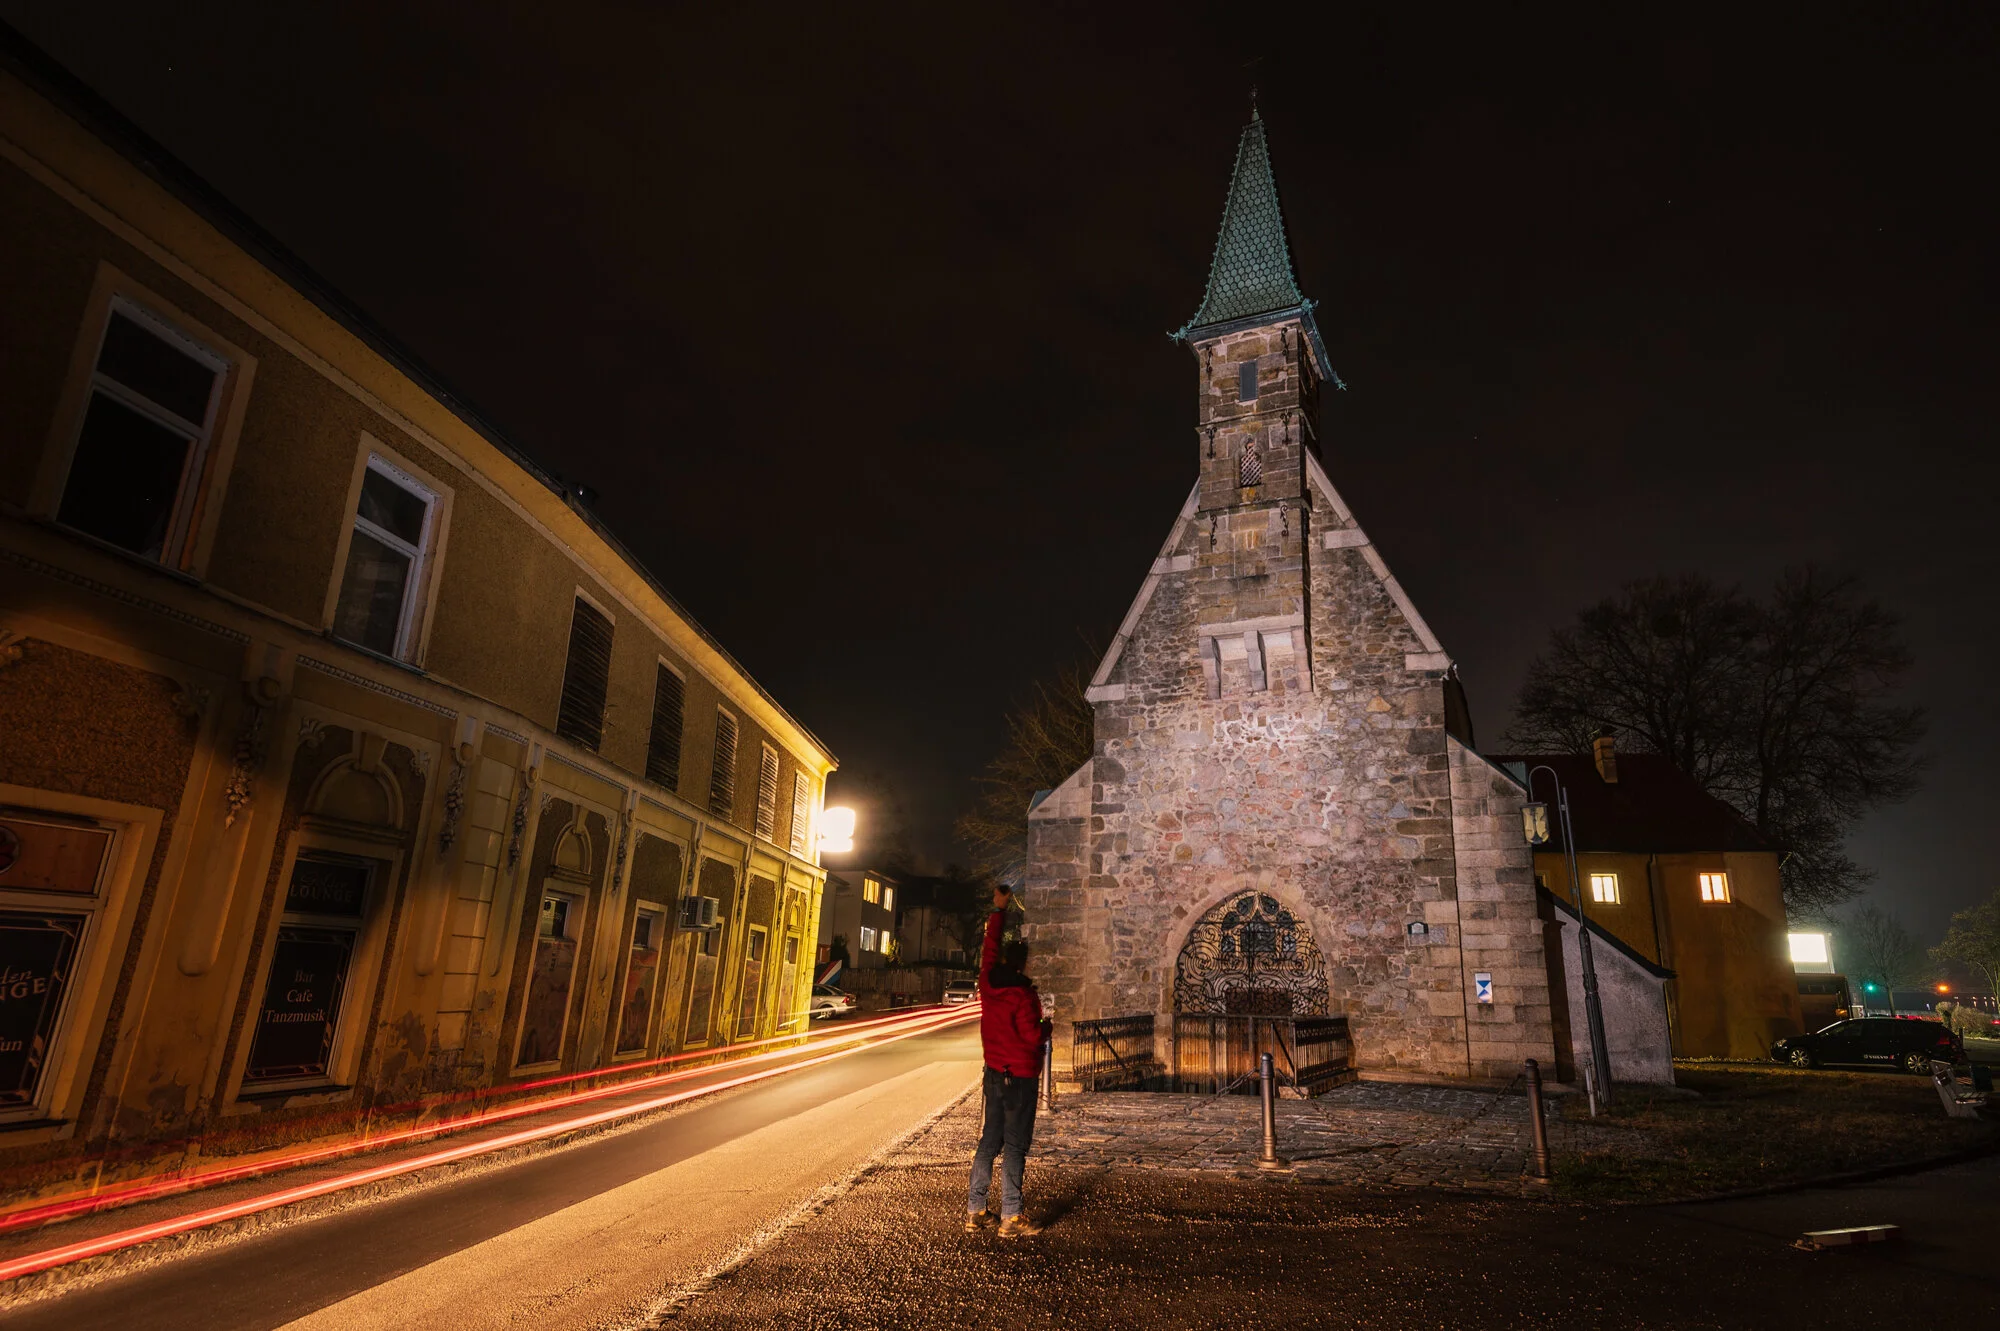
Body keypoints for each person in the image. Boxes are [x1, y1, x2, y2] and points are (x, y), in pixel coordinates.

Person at [966, 882, 1051, 1238]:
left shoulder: (988, 982)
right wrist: (1047, 1028)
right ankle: (1011, 1217)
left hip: (993, 1074)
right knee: (1015, 1144)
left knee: (989, 1141)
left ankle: (976, 1210)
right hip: (1019, 1079)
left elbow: (988, 949)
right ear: (1024, 965)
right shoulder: (1023, 996)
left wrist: (998, 911)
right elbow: (1032, 1036)